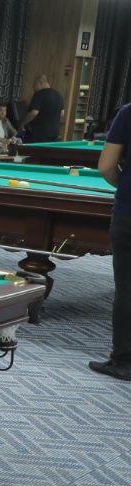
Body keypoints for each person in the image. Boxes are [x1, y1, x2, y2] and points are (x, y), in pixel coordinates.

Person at [89, 102, 130, 381]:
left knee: (127, 289)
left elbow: (105, 167)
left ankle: (124, 362)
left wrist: (123, 185)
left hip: (129, 212)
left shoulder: (128, 112)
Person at [21, 75, 64, 142]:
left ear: (40, 83)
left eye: (34, 85)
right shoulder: (58, 95)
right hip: (55, 134)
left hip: (39, 135)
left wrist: (23, 123)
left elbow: (34, 113)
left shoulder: (39, 94)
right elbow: (62, 113)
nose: (34, 88)